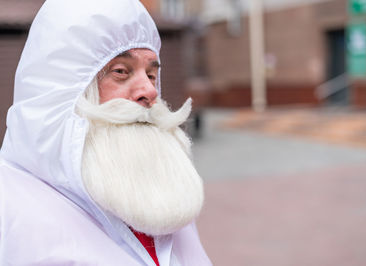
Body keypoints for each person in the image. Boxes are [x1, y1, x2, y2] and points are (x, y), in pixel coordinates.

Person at [0, 0, 212, 265]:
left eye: (150, 74)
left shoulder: (163, 193)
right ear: (67, 88)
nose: (150, 91)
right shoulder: (8, 208)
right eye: (121, 72)